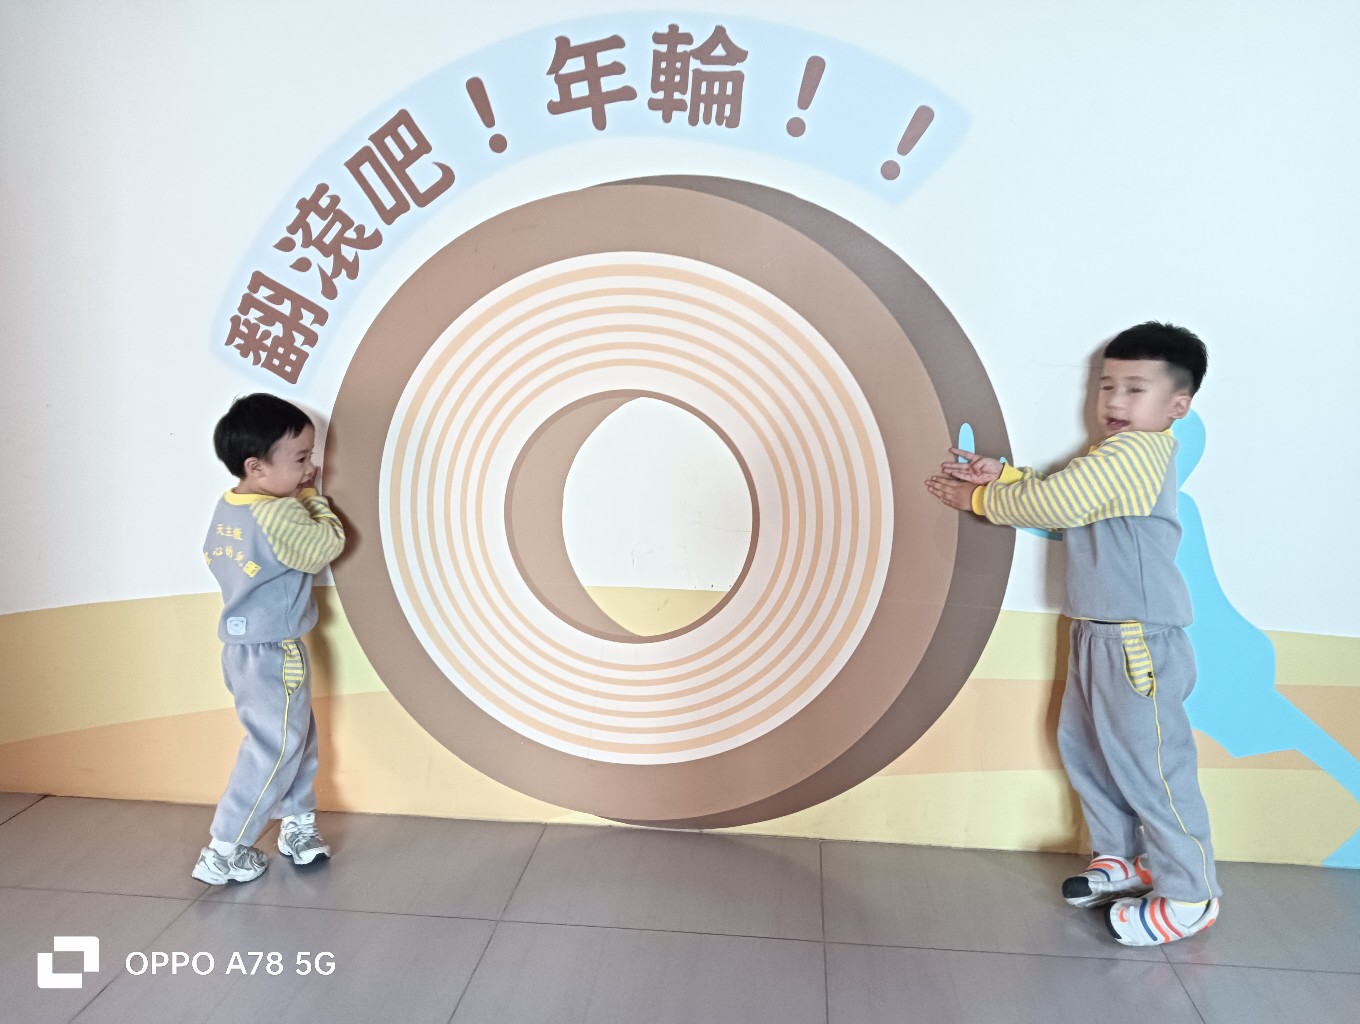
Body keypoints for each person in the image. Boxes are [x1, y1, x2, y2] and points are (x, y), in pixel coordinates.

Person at [924, 322, 1220, 946]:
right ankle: (1123, 858)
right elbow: (1068, 514)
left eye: (1134, 388)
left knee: (1153, 770)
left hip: (1137, 639)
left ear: (1178, 405)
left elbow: (1057, 505)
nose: (1114, 400)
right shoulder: (1110, 460)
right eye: (1107, 386)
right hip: (1098, 632)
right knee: (1090, 752)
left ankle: (1191, 895)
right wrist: (1005, 479)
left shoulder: (1135, 453)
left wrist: (980, 499)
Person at [193, 393, 346, 884]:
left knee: (292, 738)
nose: (310, 468)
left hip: (241, 649)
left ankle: (297, 823)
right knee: (276, 747)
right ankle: (225, 848)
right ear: (256, 467)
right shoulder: (280, 513)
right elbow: (325, 545)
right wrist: (314, 500)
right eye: (300, 459)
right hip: (275, 650)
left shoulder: (230, 506)